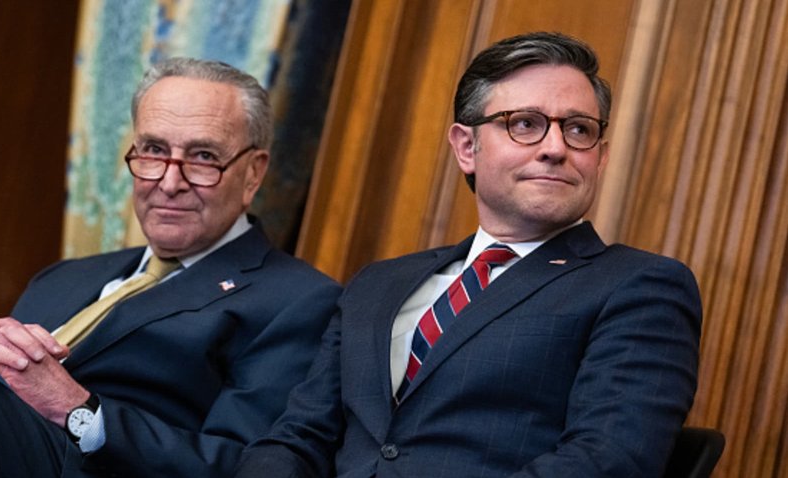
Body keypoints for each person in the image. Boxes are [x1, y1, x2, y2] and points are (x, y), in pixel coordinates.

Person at [234, 32, 702, 477]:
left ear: (599, 156)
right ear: (466, 147)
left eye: (579, 129)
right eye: (525, 125)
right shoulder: (379, 284)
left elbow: (607, 462)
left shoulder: (640, 286)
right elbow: (299, 437)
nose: (556, 148)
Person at [0, 58, 340, 477]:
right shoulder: (63, 277)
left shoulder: (299, 301)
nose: (169, 182)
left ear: (254, 174)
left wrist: (77, 410)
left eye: (203, 157)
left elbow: (245, 465)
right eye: (153, 150)